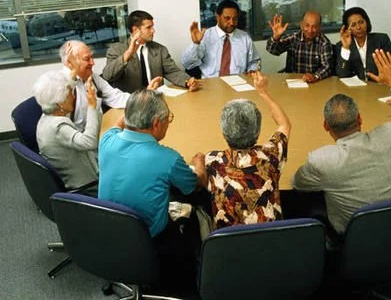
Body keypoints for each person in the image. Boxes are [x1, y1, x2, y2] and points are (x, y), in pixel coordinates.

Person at [291, 49, 391, 242]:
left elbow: (297, 183)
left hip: (356, 239)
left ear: (325, 126)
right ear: (360, 118)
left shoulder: (321, 160)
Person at [98, 89, 208, 296]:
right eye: (168, 119)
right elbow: (196, 184)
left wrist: (137, 104)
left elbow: (119, 124)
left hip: (108, 232)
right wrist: (199, 163)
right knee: (195, 205)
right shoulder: (167, 158)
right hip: (151, 239)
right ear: (156, 124)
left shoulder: (106, 141)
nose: (169, 122)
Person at [205, 71, 291, 230]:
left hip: (227, 248)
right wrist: (263, 92)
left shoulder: (212, 160)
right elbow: (284, 124)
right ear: (258, 132)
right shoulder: (271, 154)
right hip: (273, 242)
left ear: (224, 132)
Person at [33, 69, 99, 191]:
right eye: (70, 94)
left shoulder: (46, 116)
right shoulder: (58, 127)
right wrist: (92, 106)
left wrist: (74, 74)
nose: (74, 97)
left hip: (76, 166)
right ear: (60, 104)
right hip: (86, 185)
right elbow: (90, 142)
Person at [103, 10, 199, 93]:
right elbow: (108, 76)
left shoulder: (160, 49)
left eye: (152, 27)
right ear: (136, 30)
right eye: (149, 27)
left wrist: (187, 81)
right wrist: (128, 53)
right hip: (130, 104)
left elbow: (172, 71)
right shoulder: (116, 50)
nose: (153, 31)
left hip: (155, 101)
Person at [59, 40, 138, 131]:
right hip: (79, 140)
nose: (92, 63)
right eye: (86, 59)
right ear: (70, 62)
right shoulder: (59, 84)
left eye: (91, 57)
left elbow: (116, 97)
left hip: (99, 131)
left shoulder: (93, 77)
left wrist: (145, 98)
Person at [181, 0, 261, 78]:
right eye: (227, 18)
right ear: (218, 17)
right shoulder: (206, 36)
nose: (232, 22)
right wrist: (195, 44)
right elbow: (188, 64)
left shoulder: (245, 38)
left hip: (239, 83)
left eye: (235, 18)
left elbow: (254, 61)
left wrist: (252, 70)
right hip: (211, 84)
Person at [266, 11, 333, 83]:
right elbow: (273, 50)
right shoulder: (294, 38)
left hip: (315, 83)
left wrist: (315, 76)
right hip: (293, 81)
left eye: (314, 26)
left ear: (319, 27)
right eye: (307, 25)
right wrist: (276, 37)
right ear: (301, 25)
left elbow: (327, 67)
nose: (310, 30)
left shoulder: (324, 42)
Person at [335, 7, 391, 80]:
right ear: (347, 29)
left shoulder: (381, 40)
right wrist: (346, 48)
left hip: (379, 86)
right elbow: (342, 75)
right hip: (355, 89)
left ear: (367, 22)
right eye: (353, 25)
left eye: (361, 22)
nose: (358, 27)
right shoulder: (341, 46)